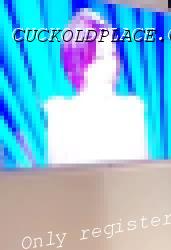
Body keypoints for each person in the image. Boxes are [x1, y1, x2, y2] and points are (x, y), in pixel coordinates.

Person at [45, 8, 147, 165]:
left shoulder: (131, 109)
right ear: (78, 65)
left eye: (113, 55)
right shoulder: (61, 115)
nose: (111, 65)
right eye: (100, 58)